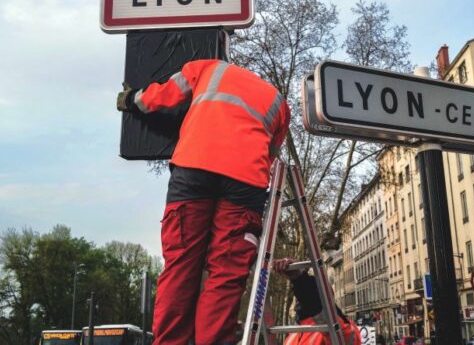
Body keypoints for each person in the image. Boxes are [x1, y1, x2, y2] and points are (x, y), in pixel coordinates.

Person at [117, 59, 290, 345]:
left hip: (194, 166)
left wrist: (133, 98)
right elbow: (270, 153)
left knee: (181, 264)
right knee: (226, 273)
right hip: (246, 180)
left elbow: (161, 96)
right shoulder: (278, 102)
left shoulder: (209, 68)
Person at [272, 258, 361, 345]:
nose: (301, 299)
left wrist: (300, 279)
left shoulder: (337, 328)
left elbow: (316, 302)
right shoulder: (295, 332)